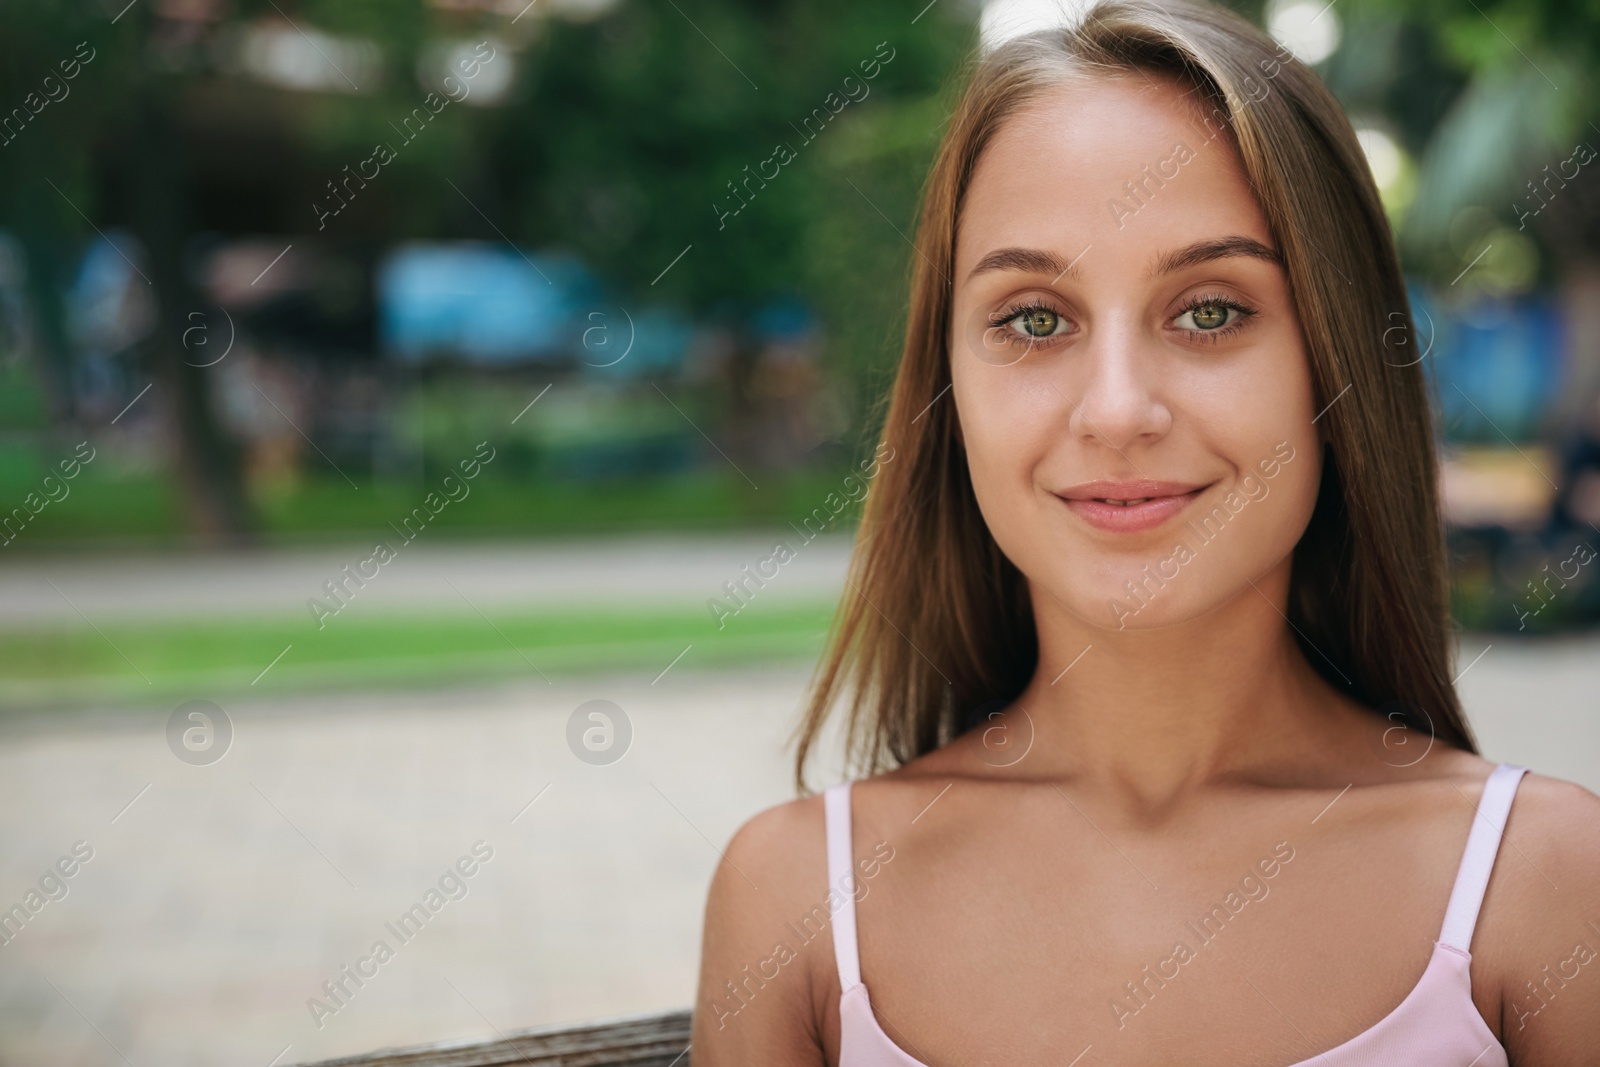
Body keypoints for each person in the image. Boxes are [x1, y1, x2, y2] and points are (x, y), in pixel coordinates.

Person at [691, 1, 1600, 1063]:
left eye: (1209, 309)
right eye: (1034, 318)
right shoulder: (795, 902)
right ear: (947, 389)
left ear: (1336, 356)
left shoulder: (1541, 884)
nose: (1116, 409)